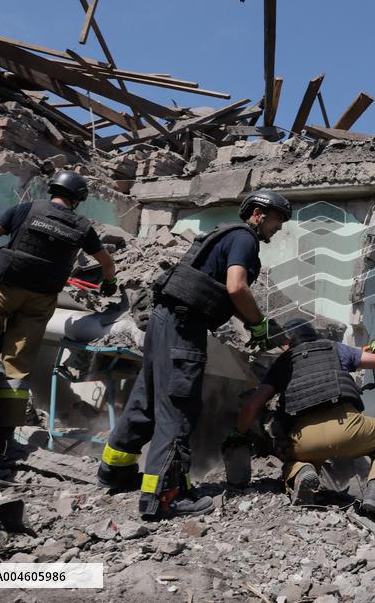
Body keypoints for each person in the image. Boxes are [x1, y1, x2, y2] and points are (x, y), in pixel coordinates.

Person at [96, 189, 291, 521]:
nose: (279, 227)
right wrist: (260, 325)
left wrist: (254, 323)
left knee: (146, 399)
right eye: (278, 219)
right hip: (186, 327)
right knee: (178, 406)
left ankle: (115, 470)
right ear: (258, 214)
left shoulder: (220, 237)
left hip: (163, 322)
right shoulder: (245, 238)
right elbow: (236, 287)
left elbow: (220, 291)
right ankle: (165, 496)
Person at [0, 170, 116, 450]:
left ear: (53, 189)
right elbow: (107, 264)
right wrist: (109, 284)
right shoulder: (83, 227)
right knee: (18, 365)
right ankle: (3, 438)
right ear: (79, 199)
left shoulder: (27, 209)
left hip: (5, 288)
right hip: (42, 301)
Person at [227, 319, 375, 521]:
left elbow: (252, 405)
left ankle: (302, 472)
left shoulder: (282, 362)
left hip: (305, 440)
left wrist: (237, 434)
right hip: (349, 429)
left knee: (293, 459)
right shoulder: (336, 348)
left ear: (288, 343)